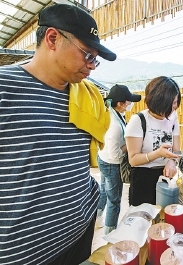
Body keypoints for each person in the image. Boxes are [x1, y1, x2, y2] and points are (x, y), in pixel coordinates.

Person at [0, 4, 116, 265]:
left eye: (95, 59)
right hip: (25, 254)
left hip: (79, 233)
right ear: (52, 39)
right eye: (88, 55)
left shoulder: (86, 96)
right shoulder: (5, 87)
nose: (92, 67)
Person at [125, 76, 181, 206]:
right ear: (158, 101)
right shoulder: (138, 120)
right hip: (143, 178)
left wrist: (172, 161)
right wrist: (158, 153)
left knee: (164, 220)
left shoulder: (173, 119)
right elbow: (133, 160)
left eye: (176, 102)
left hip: (166, 176)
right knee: (144, 221)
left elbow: (177, 150)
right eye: (171, 103)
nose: (175, 106)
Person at [96, 84, 141, 234]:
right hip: (111, 164)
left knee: (104, 191)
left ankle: (96, 218)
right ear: (120, 103)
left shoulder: (113, 112)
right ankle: (109, 234)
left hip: (103, 157)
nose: (130, 105)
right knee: (114, 201)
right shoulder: (115, 126)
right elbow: (116, 155)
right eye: (128, 102)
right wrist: (130, 144)